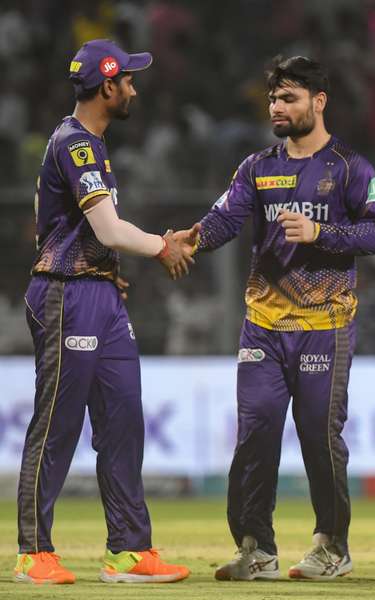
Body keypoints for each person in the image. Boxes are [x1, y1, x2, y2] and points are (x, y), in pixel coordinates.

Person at [179, 56, 375, 582]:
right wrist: (189, 239)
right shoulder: (257, 166)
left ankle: (331, 546)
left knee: (319, 436)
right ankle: (256, 548)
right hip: (264, 326)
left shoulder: (351, 167)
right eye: (274, 98)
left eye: (289, 98)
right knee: (255, 432)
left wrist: (322, 234)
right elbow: (226, 217)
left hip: (326, 324)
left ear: (319, 102)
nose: (277, 107)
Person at [15, 38, 192, 585]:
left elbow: (102, 235)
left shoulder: (92, 145)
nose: (135, 88)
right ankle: (33, 553)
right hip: (67, 294)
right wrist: (162, 246)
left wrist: (116, 269)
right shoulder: (76, 143)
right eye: (129, 79)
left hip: (100, 295)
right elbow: (108, 229)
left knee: (123, 422)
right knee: (57, 423)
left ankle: (130, 551)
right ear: (107, 85)